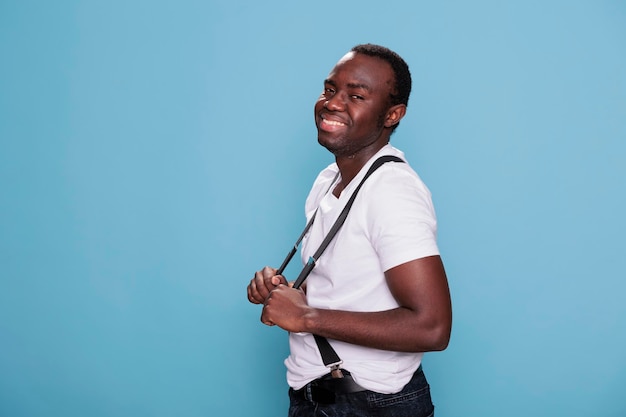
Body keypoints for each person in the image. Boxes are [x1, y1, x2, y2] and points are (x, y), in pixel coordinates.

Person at [247, 43, 452, 417]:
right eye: (329, 90)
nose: (332, 103)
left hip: (369, 404)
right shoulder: (330, 179)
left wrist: (307, 318)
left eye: (355, 95)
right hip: (316, 395)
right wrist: (285, 291)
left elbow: (432, 327)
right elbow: (345, 284)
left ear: (393, 114)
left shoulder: (392, 191)